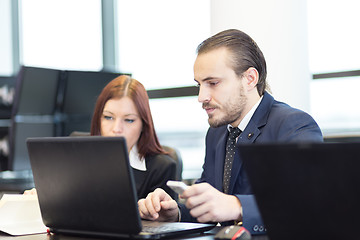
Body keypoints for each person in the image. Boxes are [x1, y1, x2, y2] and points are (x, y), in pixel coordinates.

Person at [137, 29, 323, 235]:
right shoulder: (216, 133)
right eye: (199, 85)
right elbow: (212, 205)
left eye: (213, 83)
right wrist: (176, 214)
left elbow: (307, 203)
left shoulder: (293, 125)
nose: (201, 96)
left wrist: (237, 206)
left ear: (250, 79)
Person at [25, 75, 178, 200]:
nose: (116, 129)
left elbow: (164, 224)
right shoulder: (77, 148)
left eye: (129, 120)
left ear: (144, 124)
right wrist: (45, 198)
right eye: (108, 117)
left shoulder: (162, 167)